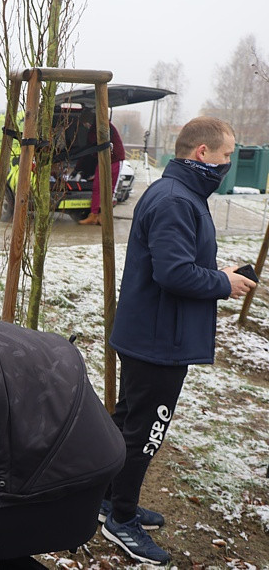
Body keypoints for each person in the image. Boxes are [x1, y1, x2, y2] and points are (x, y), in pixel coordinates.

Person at [102, 116, 256, 565]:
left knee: (129, 421)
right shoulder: (176, 200)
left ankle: (110, 499)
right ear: (202, 154)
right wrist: (223, 283)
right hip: (158, 340)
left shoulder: (182, 194)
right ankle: (121, 520)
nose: (230, 162)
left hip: (151, 333)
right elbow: (173, 274)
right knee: (145, 432)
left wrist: (216, 269)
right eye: (227, 155)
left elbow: (177, 259)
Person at [77, 108, 125, 226]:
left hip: (114, 159)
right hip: (103, 160)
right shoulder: (95, 129)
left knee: (109, 189)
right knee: (97, 187)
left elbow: (92, 149)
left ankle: (104, 216)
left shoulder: (103, 126)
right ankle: (93, 215)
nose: (85, 125)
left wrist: (79, 168)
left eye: (85, 123)